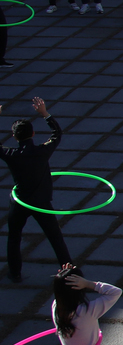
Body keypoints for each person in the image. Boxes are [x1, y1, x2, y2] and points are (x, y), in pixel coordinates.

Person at [2, 97, 70, 282]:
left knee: (14, 237)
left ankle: (15, 273)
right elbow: (57, 133)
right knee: (56, 238)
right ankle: (69, 273)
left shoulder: (11, 154)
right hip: (41, 201)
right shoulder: (42, 151)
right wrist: (45, 114)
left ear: (14, 137)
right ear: (33, 134)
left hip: (20, 201)